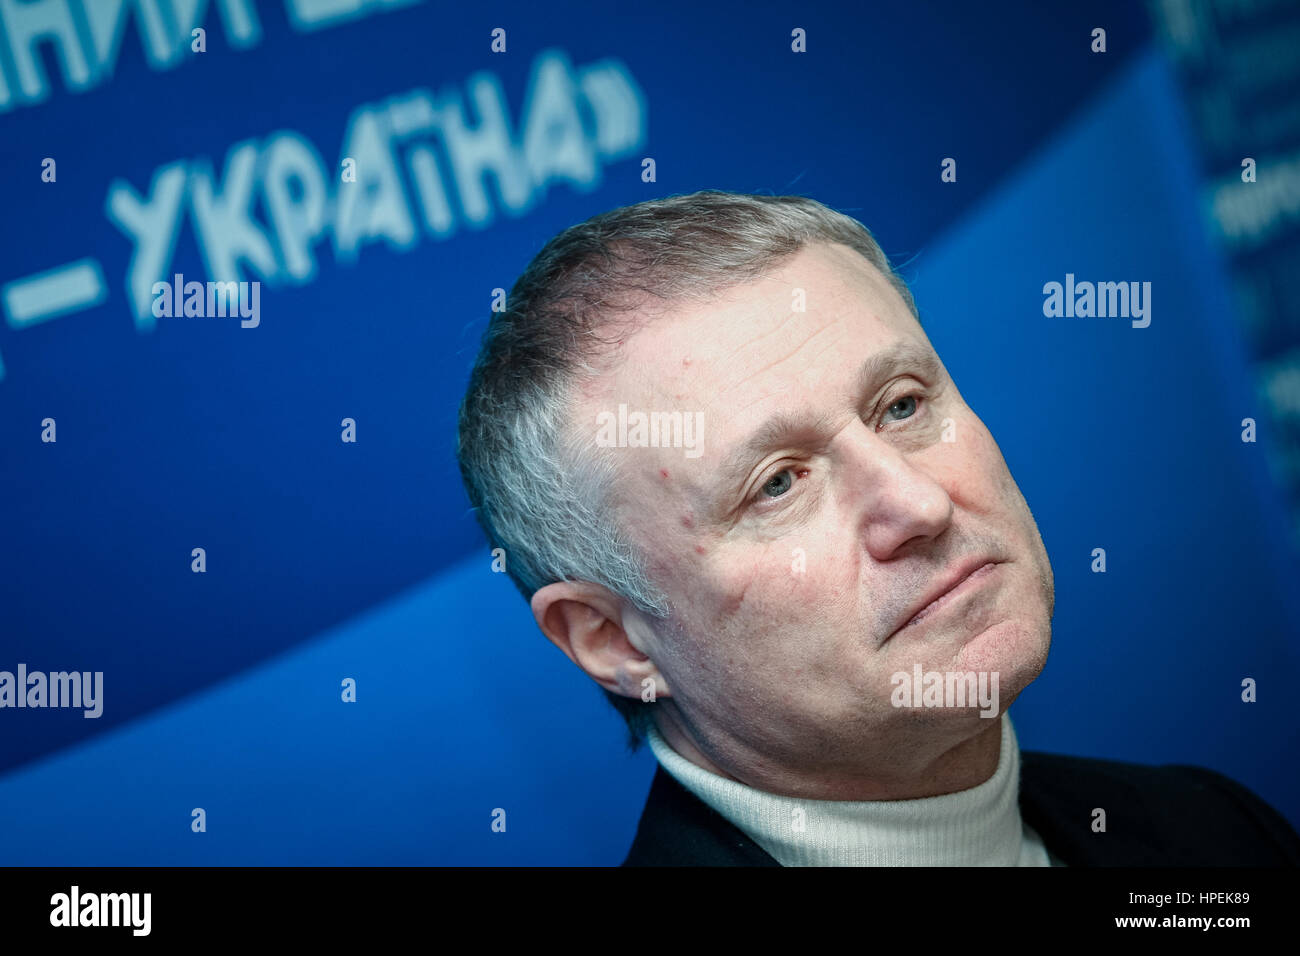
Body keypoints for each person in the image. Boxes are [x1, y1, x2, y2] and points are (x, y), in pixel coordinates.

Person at [456, 190, 1300, 866]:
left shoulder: (1211, 835)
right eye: (778, 483)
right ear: (616, 641)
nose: (920, 507)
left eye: (900, 405)